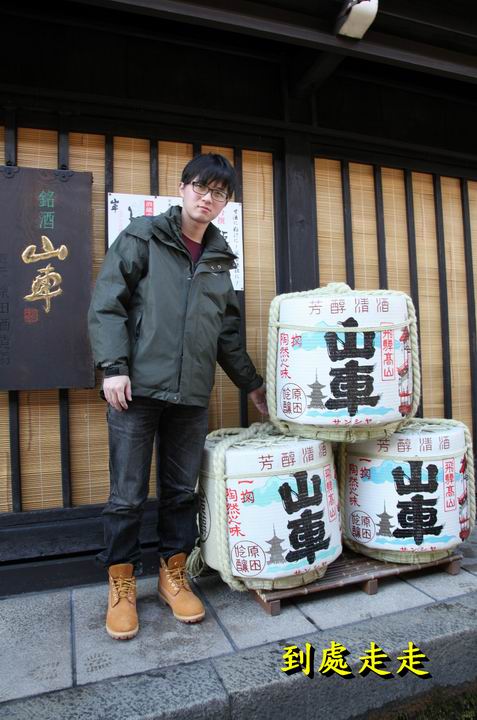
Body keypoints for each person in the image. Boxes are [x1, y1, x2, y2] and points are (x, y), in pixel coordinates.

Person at [88, 153, 267, 640]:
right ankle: (122, 583)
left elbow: (226, 333)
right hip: (135, 390)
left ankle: (173, 574)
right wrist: (113, 367)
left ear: (225, 203)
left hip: (191, 394)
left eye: (219, 193)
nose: (208, 198)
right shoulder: (143, 236)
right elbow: (107, 303)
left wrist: (251, 383)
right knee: (126, 495)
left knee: (181, 492)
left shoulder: (219, 260)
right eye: (201, 187)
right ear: (183, 188)